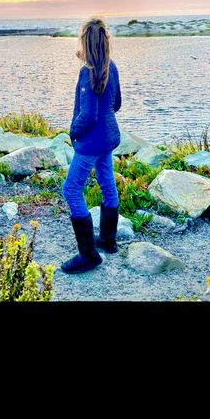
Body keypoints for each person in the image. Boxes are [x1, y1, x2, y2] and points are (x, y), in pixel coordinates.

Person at [61, 16, 122, 274]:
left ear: (86, 42)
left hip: (90, 144)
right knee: (107, 183)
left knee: (71, 189)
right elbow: (116, 104)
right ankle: (108, 240)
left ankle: (88, 255)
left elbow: (87, 115)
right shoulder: (113, 67)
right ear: (106, 43)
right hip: (108, 139)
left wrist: (73, 133)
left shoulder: (87, 73)